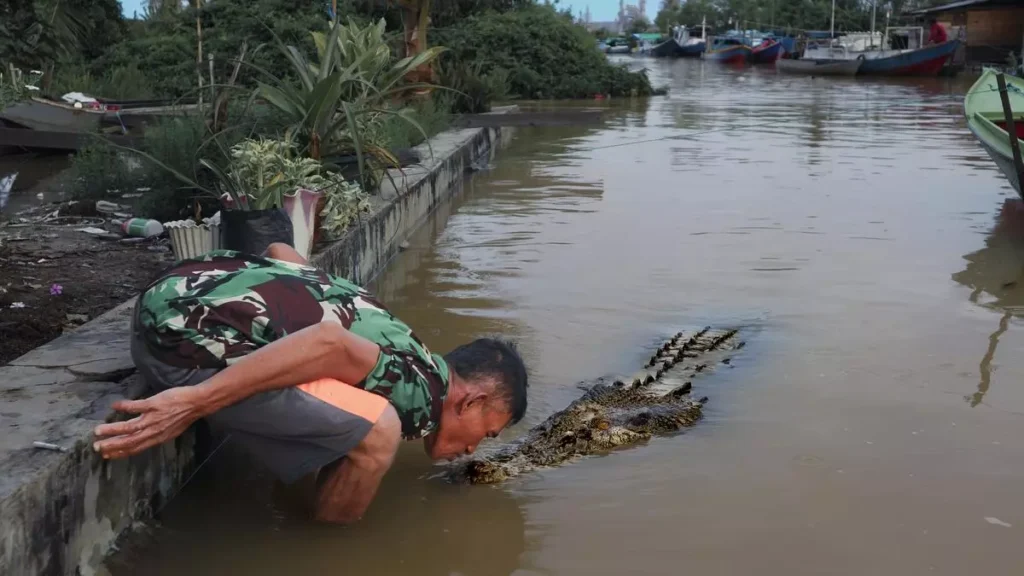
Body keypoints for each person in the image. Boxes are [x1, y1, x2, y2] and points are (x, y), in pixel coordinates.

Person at [92, 243, 529, 524]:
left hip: (173, 290)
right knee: (381, 432)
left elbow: (282, 252)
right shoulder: (422, 395)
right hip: (172, 346)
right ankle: (329, 546)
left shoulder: (397, 332)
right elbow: (327, 341)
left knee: (357, 405)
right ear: (472, 401)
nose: (473, 449)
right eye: (486, 433)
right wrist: (195, 401)